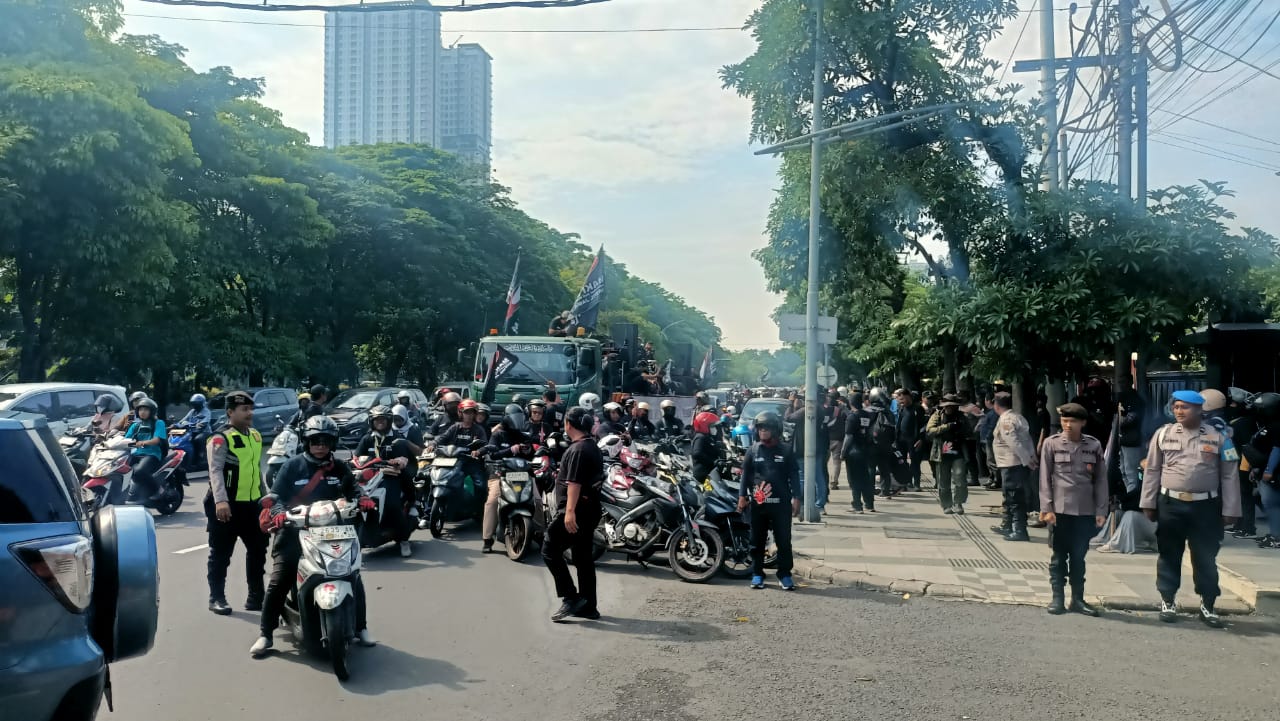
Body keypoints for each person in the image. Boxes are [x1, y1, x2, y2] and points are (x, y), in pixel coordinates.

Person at [250, 415, 376, 657]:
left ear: (333, 443)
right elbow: (276, 496)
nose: (320, 445)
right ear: (306, 441)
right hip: (295, 533)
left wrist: (363, 499)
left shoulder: (339, 467)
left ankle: (361, 628)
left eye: (325, 441)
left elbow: (353, 488)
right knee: (279, 580)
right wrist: (278, 513)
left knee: (353, 576)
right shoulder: (292, 465)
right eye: (315, 440)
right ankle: (266, 634)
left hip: (334, 532)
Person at [1140, 390, 1240, 627]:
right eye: (1176, 407)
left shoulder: (1219, 437)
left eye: (1185, 407)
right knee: (1169, 554)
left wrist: (1231, 509)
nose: (1179, 411)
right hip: (1170, 504)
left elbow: (1230, 475)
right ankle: (1168, 600)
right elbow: (1152, 469)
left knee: (1205, 557)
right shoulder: (1163, 434)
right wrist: (1148, 502)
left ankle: (1208, 604)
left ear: (1199, 410)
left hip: (1206, 507)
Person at [1038, 403, 1107, 616]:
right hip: (1059, 510)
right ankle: (1057, 598)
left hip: (1085, 510)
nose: (1068, 425)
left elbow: (1101, 480)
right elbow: (1044, 478)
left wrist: (1101, 510)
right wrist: (1046, 507)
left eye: (1073, 421)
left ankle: (1077, 599)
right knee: (1059, 556)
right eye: (1065, 420)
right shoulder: (1052, 444)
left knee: (1079, 557)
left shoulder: (1093, 446)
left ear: (1083, 423)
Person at [204, 390, 267, 616]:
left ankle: (256, 596)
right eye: (244, 410)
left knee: (258, 550)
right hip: (227, 506)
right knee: (221, 554)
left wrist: (265, 498)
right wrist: (221, 501)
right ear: (230, 412)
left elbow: (257, 470)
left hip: (252, 505)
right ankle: (217, 598)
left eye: (251, 409)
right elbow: (215, 471)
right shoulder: (221, 438)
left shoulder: (256, 436)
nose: (249, 413)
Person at [542, 406, 605, 621]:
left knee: (549, 549)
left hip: (576, 511)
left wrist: (569, 513)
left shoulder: (578, 450)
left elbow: (575, 483)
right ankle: (589, 605)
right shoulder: (590, 445)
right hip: (589, 509)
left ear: (569, 424)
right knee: (582, 557)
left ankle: (571, 597)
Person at [737, 411, 801, 590]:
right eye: (760, 428)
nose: (763, 431)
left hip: (781, 504)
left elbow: (794, 475)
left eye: (766, 428)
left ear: (776, 429)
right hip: (759, 504)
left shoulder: (786, 450)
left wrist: (797, 497)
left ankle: (785, 574)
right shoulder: (753, 450)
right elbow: (746, 476)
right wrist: (742, 496)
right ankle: (757, 573)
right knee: (756, 540)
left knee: (783, 540)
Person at [354, 406, 416, 558]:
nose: (380, 422)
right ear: (371, 422)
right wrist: (351, 462)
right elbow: (357, 456)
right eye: (376, 420)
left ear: (389, 421)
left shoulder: (397, 439)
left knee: (392, 505)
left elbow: (404, 459)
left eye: (383, 419)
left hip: (391, 476)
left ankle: (403, 541)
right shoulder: (367, 438)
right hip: (369, 477)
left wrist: (398, 461)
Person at [481, 404, 536, 554]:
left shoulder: (523, 436)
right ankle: (487, 539)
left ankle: (540, 533)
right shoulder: (498, 435)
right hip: (500, 475)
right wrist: (510, 450)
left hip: (522, 476)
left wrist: (529, 450)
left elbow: (532, 455)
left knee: (537, 499)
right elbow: (492, 453)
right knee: (492, 501)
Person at [991, 392, 1040, 543]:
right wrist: (1031, 457)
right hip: (1014, 464)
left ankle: (1019, 529)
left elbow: (1014, 442)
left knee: (1014, 497)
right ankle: (1008, 525)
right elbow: (1027, 439)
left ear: (996, 405)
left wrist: (1027, 460)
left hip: (1012, 464)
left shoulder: (1006, 419)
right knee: (1009, 496)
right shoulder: (1018, 417)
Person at [927, 394, 969, 514]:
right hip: (942, 453)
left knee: (960, 478)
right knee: (943, 481)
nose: (950, 408)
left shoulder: (961, 417)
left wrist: (962, 428)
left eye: (952, 406)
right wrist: (947, 427)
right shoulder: (937, 416)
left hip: (958, 452)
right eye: (948, 406)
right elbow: (930, 430)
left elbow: (969, 431)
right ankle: (946, 504)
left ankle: (958, 503)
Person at [125, 398, 168, 501]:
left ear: (151, 411)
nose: (142, 412)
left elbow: (156, 440)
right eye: (140, 410)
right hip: (136, 453)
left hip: (152, 454)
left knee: (139, 471)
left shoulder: (158, 423)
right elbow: (126, 440)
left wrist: (141, 443)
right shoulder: (135, 425)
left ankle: (159, 489)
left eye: (145, 410)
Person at [842, 392, 875, 513]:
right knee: (865, 478)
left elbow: (848, 437)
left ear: (850, 403)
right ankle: (869, 504)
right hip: (865, 449)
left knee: (854, 479)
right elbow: (870, 432)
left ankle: (857, 505)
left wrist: (843, 452)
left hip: (853, 451)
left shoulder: (852, 417)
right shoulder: (866, 415)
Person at [1117, 378, 1146, 498]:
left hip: (1133, 440)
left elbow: (1132, 418)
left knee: (1132, 473)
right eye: (1121, 382)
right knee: (1124, 471)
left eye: (1124, 382)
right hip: (1125, 439)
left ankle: (1133, 499)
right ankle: (1130, 496)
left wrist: (1118, 420)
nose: (1122, 385)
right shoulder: (1125, 397)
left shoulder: (1135, 399)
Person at [894, 389, 920, 491]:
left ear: (908, 397)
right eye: (899, 400)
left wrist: (920, 439)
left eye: (903, 399)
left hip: (913, 439)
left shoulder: (917, 409)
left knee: (915, 461)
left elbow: (922, 426)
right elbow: (899, 424)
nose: (901, 401)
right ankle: (906, 482)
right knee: (902, 462)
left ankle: (916, 483)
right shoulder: (902, 409)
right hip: (901, 439)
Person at [690, 411, 723, 485]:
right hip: (703, 476)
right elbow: (697, 453)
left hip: (711, 473)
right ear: (704, 426)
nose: (715, 429)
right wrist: (713, 461)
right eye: (713, 426)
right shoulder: (700, 437)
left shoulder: (709, 437)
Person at [977, 393, 1000, 489]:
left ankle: (997, 480)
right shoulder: (990, 412)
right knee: (989, 461)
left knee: (991, 461)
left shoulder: (993, 413)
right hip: (986, 440)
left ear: (988, 401)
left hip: (989, 440)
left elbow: (992, 427)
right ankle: (992, 478)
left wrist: (987, 437)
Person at [826, 391, 846, 491]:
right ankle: (834, 482)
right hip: (838, 438)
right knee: (836, 462)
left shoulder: (825, 409)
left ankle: (824, 480)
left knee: (824, 462)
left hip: (826, 438)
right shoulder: (842, 409)